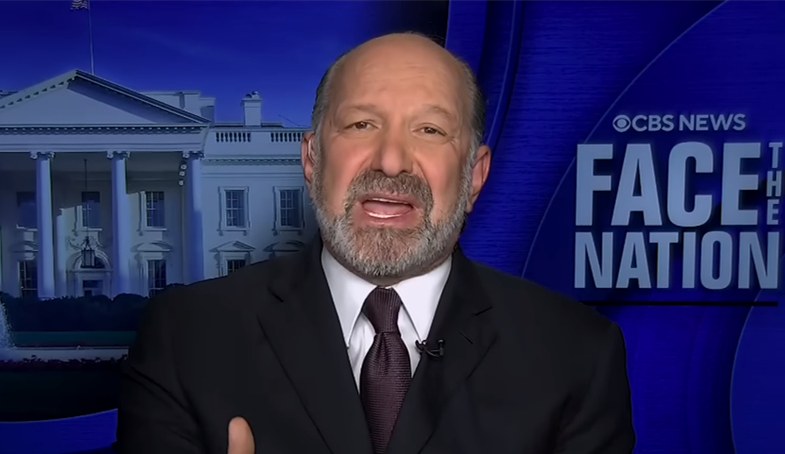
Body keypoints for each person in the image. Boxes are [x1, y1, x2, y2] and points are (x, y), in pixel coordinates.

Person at [116, 32, 635, 454]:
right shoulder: (187, 337)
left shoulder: (576, 354)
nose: (391, 161)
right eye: (361, 124)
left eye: (429, 130)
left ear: (475, 176)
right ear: (312, 160)